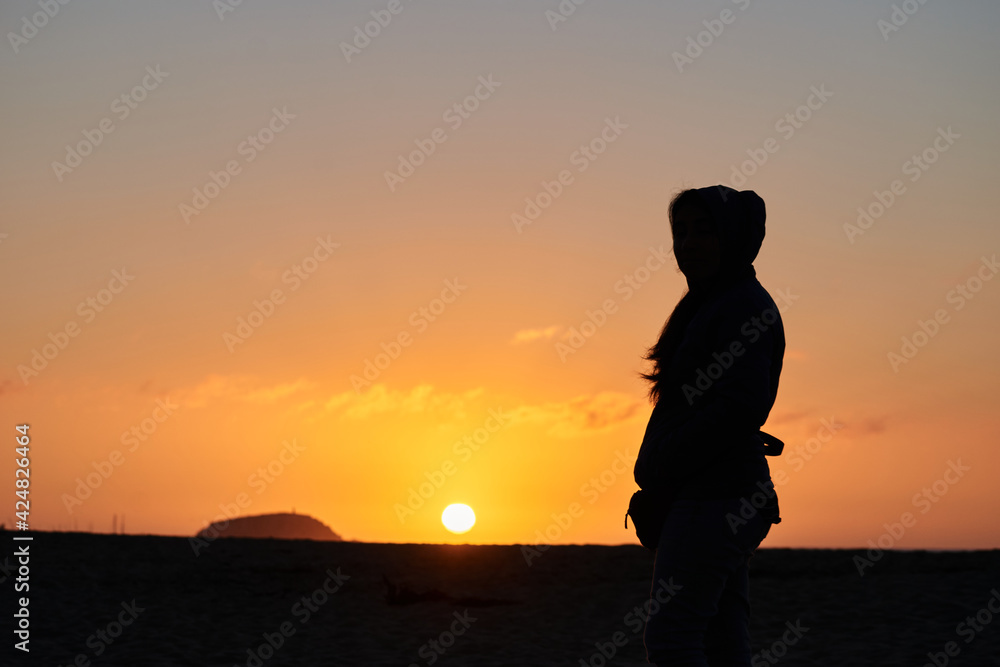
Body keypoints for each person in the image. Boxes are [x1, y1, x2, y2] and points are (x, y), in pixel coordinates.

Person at [633, 185, 785, 666]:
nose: (689, 243)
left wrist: (663, 470)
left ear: (733, 238)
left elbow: (738, 409)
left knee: (672, 638)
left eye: (705, 231)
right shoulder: (709, 303)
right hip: (712, 496)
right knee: (721, 641)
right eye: (680, 232)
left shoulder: (741, 305)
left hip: (716, 498)